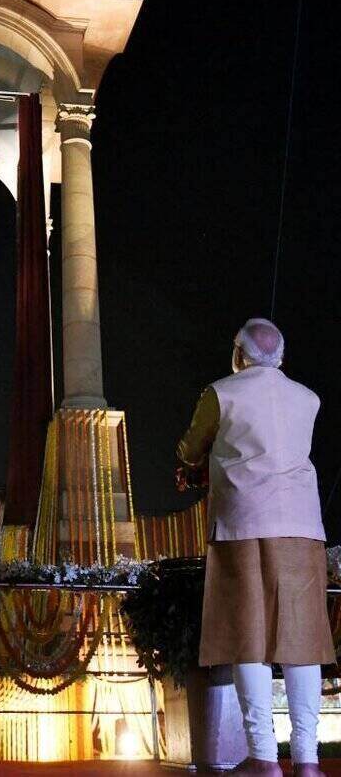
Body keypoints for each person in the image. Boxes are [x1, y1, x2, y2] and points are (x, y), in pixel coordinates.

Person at [176, 318, 335, 777]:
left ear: (237, 354)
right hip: (302, 528)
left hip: (241, 524)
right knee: (302, 643)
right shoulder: (309, 399)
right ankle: (308, 760)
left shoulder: (220, 393)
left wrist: (192, 465)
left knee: (249, 637)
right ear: (281, 357)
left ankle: (263, 755)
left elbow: (191, 448)